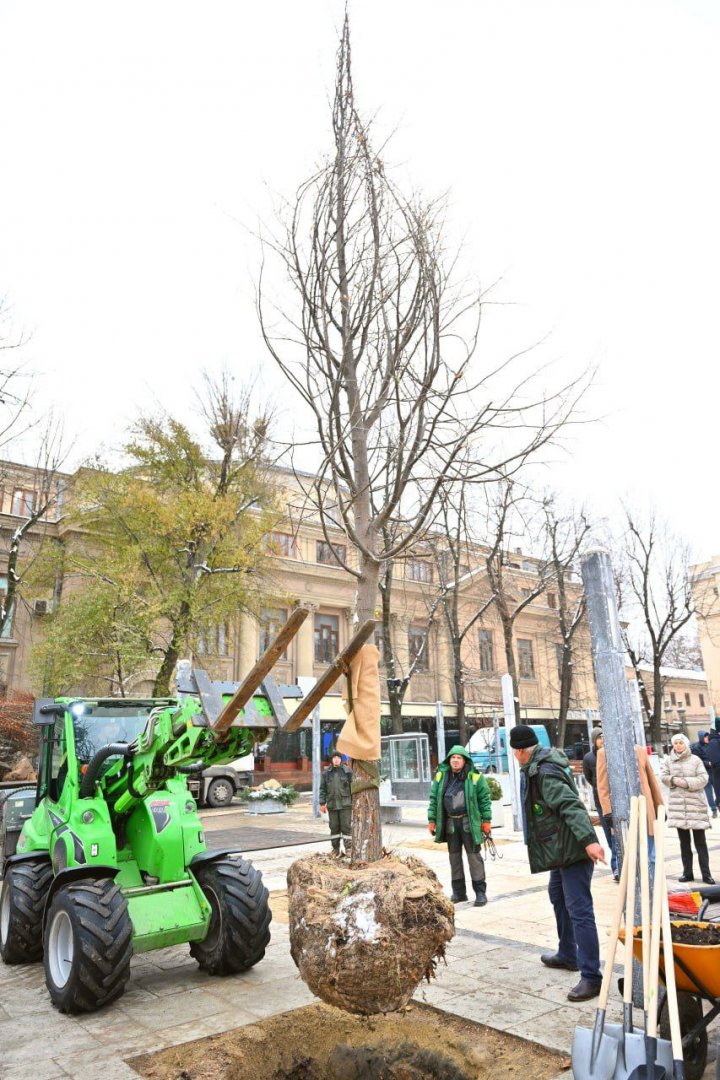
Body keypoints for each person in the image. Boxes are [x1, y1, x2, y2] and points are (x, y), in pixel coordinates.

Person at [510, 724, 606, 1002]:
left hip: (573, 849)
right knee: (557, 896)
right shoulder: (536, 766)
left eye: (514, 753)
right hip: (560, 849)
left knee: (580, 910)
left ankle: (591, 976)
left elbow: (570, 806)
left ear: (519, 752)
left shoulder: (545, 772)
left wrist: (590, 841)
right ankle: (568, 953)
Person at [427, 745, 492, 907]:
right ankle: (459, 892)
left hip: (469, 823)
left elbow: (485, 799)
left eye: (459, 758)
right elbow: (434, 798)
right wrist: (432, 820)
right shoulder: (441, 777)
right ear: (449, 760)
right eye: (453, 757)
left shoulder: (475, 777)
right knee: (454, 858)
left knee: (474, 858)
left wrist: (486, 821)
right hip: (450, 823)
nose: (455, 760)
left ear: (464, 761)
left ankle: (480, 893)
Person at [596, 742, 664, 870]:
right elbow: (603, 786)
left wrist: (659, 805)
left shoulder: (639, 750)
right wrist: (607, 811)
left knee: (652, 856)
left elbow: (651, 780)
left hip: (645, 809)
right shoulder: (603, 753)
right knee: (629, 859)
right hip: (622, 812)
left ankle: (653, 886)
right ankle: (632, 888)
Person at [661, 733, 715, 885]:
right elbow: (664, 776)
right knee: (684, 843)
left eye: (680, 742)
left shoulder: (695, 760)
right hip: (678, 808)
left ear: (685, 744)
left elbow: (704, 779)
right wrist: (673, 780)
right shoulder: (669, 760)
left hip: (695, 806)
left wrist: (686, 783)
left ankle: (706, 874)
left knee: (701, 843)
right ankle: (687, 873)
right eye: (675, 743)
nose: (678, 745)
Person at [582, 728, 618, 879]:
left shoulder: (612, 753)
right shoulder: (589, 758)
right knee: (609, 835)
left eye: (604, 737)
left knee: (617, 834)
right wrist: (600, 789)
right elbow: (589, 778)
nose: (602, 740)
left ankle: (618, 865)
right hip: (601, 801)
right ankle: (616, 865)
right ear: (594, 740)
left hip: (615, 800)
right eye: (599, 738)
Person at [319, 750, 353, 856]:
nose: (336, 759)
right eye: (334, 758)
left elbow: (353, 788)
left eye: (338, 757)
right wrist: (322, 803)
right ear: (331, 760)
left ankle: (348, 849)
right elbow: (322, 789)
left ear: (341, 759)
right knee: (334, 827)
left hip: (346, 805)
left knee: (346, 827)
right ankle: (335, 849)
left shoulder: (348, 772)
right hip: (332, 805)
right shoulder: (326, 774)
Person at [691, 731, 717, 818]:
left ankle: (717, 803)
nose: (707, 738)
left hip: (714, 772)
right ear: (701, 737)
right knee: (709, 793)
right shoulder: (696, 748)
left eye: (708, 736)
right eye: (705, 737)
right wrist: (707, 763)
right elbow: (697, 761)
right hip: (704, 773)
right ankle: (714, 810)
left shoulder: (712, 745)